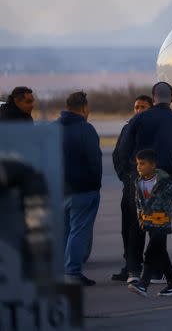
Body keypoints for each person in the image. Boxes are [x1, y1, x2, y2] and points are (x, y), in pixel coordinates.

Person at [116, 82, 172, 281]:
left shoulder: (138, 119)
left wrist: (130, 173)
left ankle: (133, 270)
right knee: (159, 225)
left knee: (136, 224)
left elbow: (124, 149)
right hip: (167, 181)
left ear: (154, 97)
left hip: (140, 179)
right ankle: (157, 270)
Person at [59, 91, 103, 286]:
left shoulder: (53, 127)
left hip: (59, 190)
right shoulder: (86, 129)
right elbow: (95, 161)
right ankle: (73, 272)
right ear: (84, 108)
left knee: (64, 231)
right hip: (83, 190)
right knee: (79, 231)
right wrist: (95, 185)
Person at [127, 149, 172, 297]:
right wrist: (141, 219)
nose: (139, 167)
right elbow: (139, 203)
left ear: (153, 165)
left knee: (150, 252)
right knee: (161, 251)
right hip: (148, 222)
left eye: (142, 164)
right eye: (138, 164)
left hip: (162, 222)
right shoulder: (138, 182)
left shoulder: (164, 181)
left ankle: (143, 284)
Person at [111, 95, 153, 282]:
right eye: (136, 107)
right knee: (126, 227)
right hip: (129, 185)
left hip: (146, 187)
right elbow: (117, 154)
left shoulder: (152, 129)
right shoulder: (128, 128)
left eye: (143, 107)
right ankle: (129, 265)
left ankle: (141, 266)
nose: (138, 110)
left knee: (141, 227)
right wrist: (125, 176)